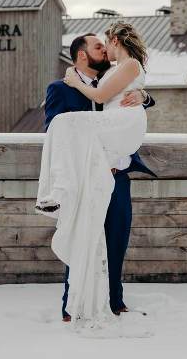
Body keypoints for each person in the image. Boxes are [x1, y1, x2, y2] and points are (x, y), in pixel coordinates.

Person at [36, 21, 154, 329]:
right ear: (82, 55)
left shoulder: (113, 76)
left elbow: (128, 90)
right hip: (86, 176)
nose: (104, 49)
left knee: (117, 237)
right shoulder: (60, 88)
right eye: (98, 46)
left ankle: (115, 300)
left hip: (119, 174)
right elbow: (54, 129)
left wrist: (144, 96)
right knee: (82, 233)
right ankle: (70, 304)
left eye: (106, 44)